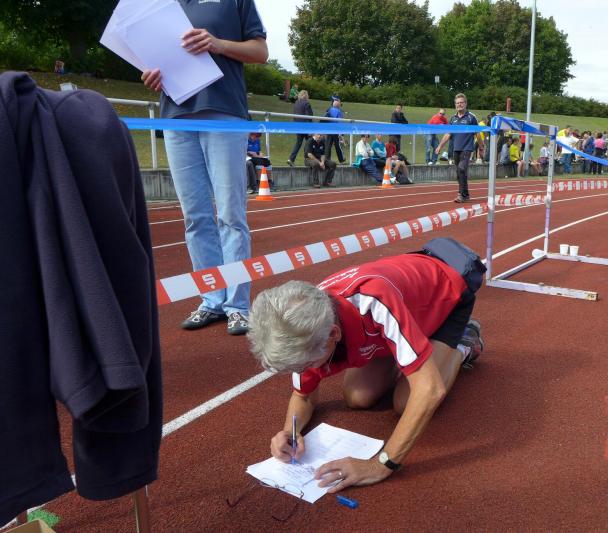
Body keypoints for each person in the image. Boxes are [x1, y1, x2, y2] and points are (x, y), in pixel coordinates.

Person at [249, 240, 486, 492]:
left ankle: (462, 344)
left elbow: (430, 390)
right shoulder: (302, 321)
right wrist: (289, 431)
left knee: (406, 401)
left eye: (307, 364)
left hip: (446, 291)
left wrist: (381, 465)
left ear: (333, 334)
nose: (303, 370)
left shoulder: (374, 302)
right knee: (358, 396)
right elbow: (303, 396)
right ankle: (405, 346)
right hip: (401, 307)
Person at [140, 0, 267, 335]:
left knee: (230, 214)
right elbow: (152, 59)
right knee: (195, 217)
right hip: (176, 117)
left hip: (224, 114)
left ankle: (237, 305)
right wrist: (150, 74)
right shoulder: (161, 6)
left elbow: (260, 51)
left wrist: (217, 44)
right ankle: (211, 299)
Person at [435, 93, 484, 203]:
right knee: (459, 172)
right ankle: (465, 194)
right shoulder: (453, 119)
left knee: (462, 169)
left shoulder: (471, 117)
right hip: (456, 149)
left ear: (465, 104)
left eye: (461, 102)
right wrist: (440, 146)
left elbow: (477, 133)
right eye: (457, 103)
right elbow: (448, 133)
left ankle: (461, 194)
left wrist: (481, 147)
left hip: (467, 148)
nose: (459, 105)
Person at [287, 89, 313, 167]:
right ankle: (307, 160)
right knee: (309, 142)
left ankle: (291, 159)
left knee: (298, 143)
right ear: (306, 95)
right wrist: (310, 128)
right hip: (305, 127)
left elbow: (294, 115)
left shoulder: (296, 103)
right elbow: (309, 116)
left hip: (298, 126)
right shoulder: (307, 103)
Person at [325, 96, 346, 164]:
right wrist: (341, 134)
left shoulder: (329, 110)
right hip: (336, 131)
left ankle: (327, 160)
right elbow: (340, 123)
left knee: (328, 145)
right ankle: (341, 160)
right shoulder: (338, 111)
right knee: (337, 146)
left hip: (329, 130)